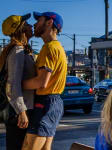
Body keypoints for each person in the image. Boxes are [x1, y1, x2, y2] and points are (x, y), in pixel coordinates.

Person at [21, 11, 67, 150]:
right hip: (53, 102)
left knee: (29, 147)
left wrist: (15, 84)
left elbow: (41, 82)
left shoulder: (49, 48)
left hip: (45, 103)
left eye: (39, 20)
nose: (35, 24)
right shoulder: (58, 47)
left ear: (49, 22)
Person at [0, 13, 35, 150]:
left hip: (19, 110)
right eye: (26, 24)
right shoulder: (17, 51)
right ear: (20, 29)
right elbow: (12, 84)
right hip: (19, 112)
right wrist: (22, 112)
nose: (31, 25)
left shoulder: (19, 49)